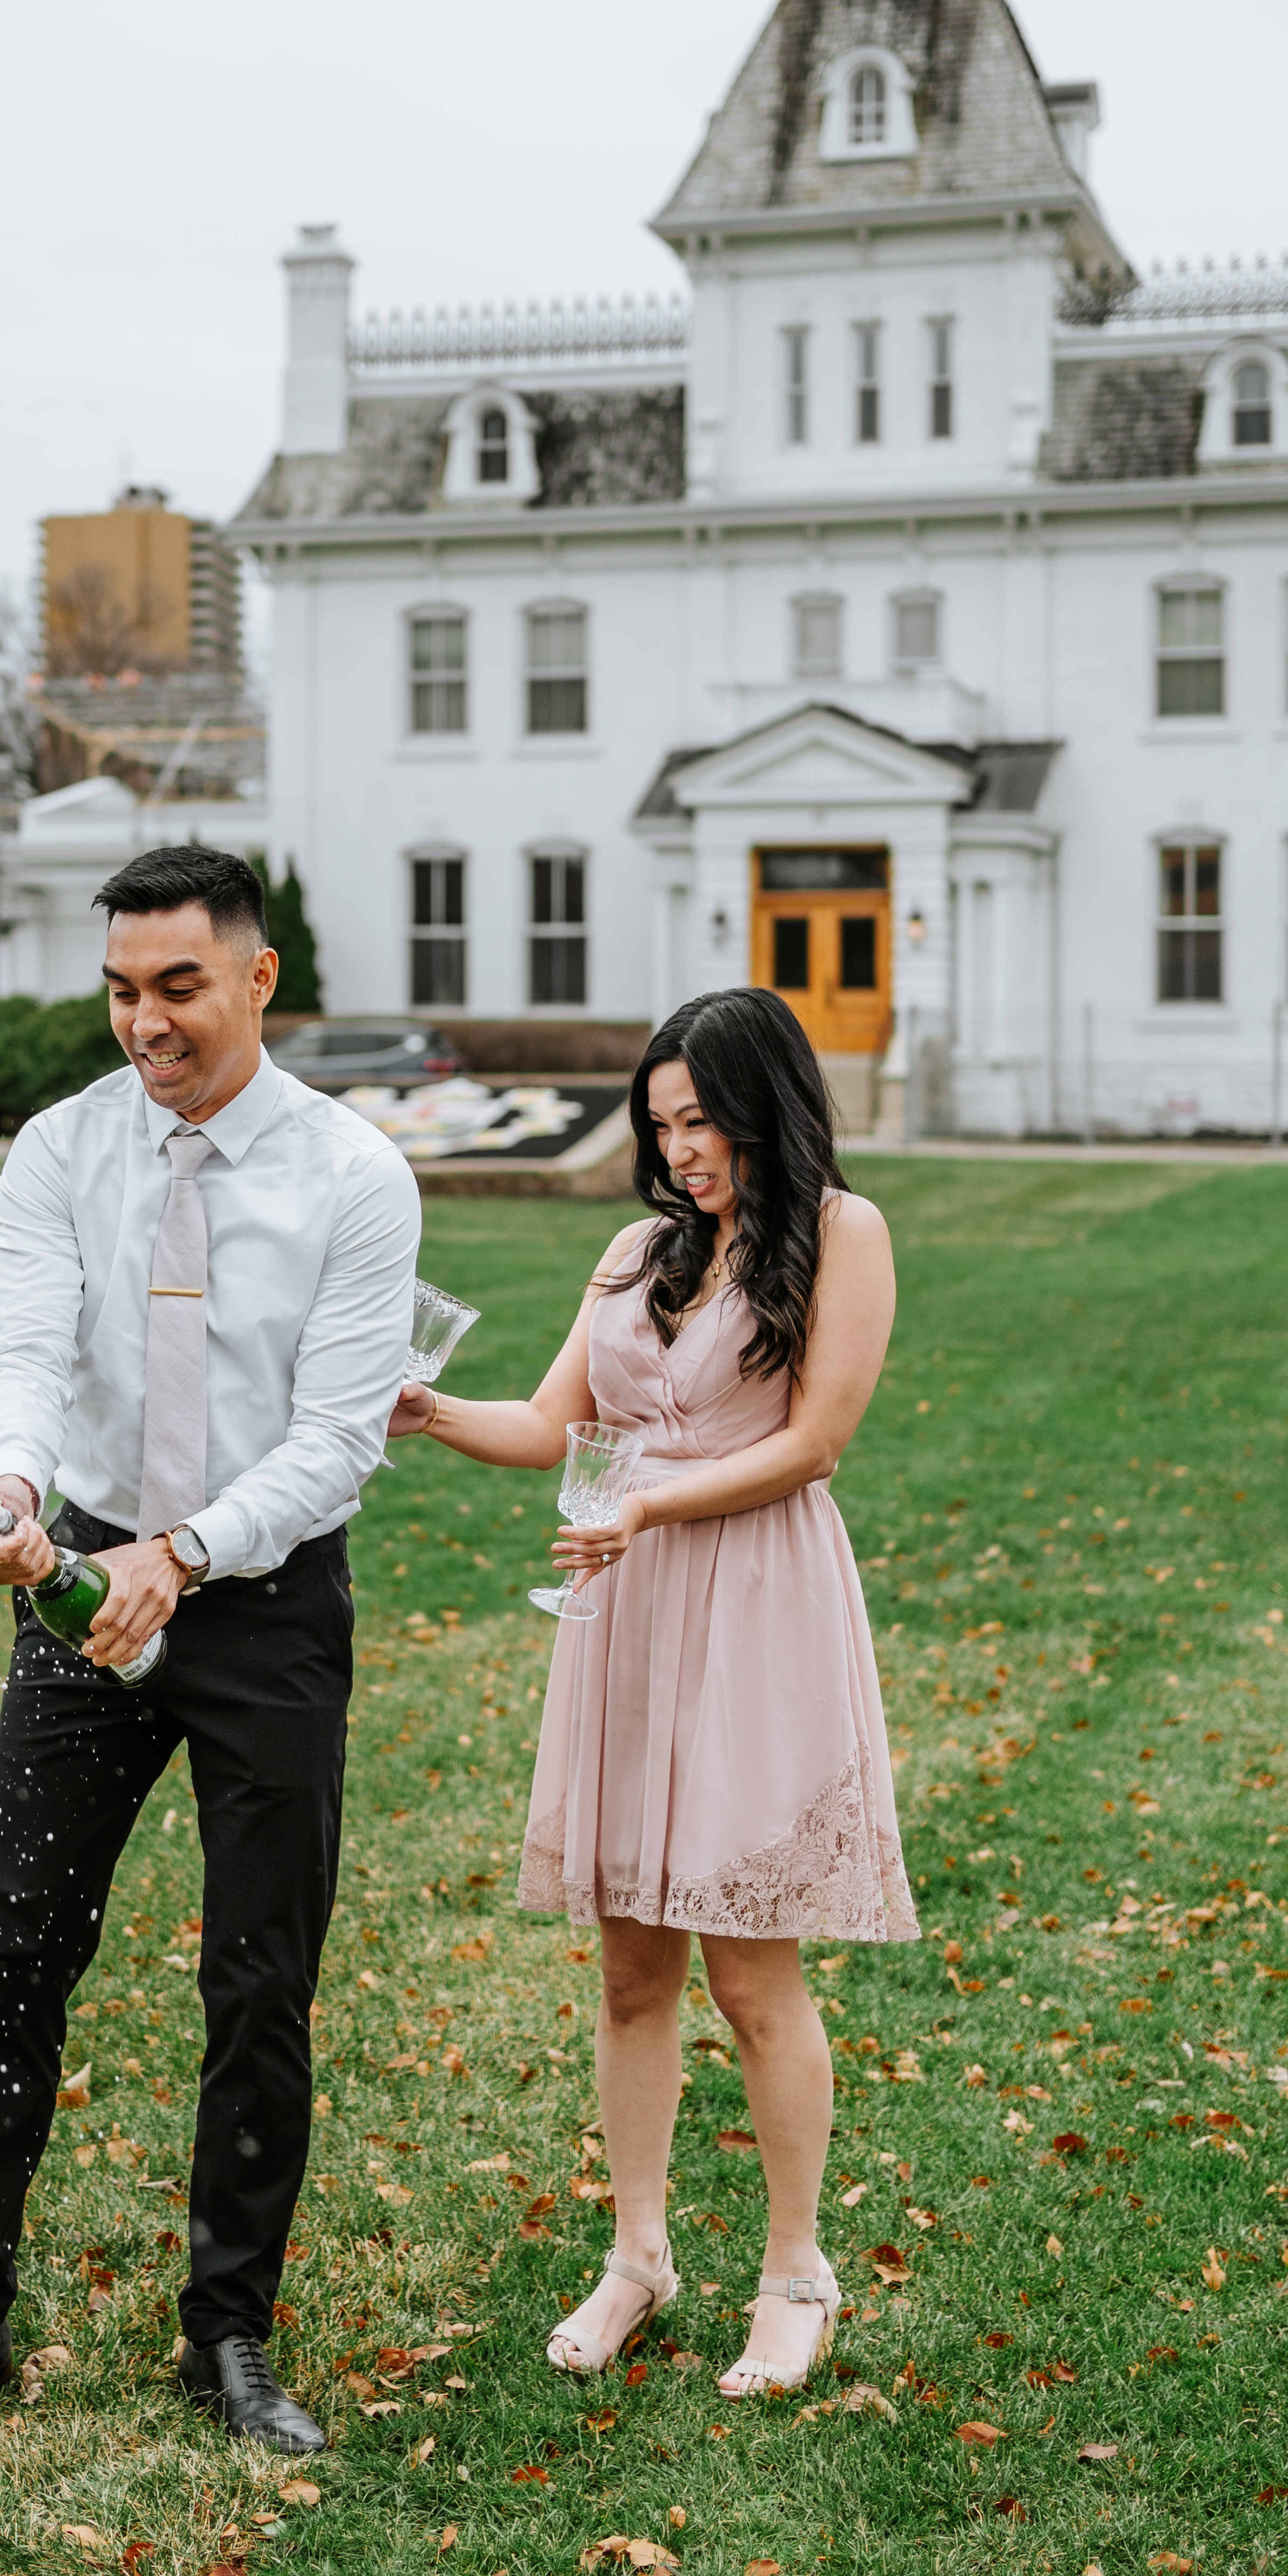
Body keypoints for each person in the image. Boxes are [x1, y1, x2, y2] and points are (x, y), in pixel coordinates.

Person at [0, 846, 421, 2472]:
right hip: (85, 1576)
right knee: (15, 1951)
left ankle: (226, 2330)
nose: (145, 1021)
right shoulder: (60, 1148)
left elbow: (334, 1445)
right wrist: (12, 1490)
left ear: (257, 979)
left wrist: (182, 1557)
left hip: (264, 1602)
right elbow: (24, 1350)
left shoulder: (355, 1175)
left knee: (258, 1982)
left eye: (177, 986)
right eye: (121, 987)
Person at [390, 985, 914, 2395]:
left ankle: (794, 2272)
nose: (683, 1149)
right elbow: (553, 1421)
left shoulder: (841, 1234)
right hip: (627, 1612)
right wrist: (434, 1411)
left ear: (767, 1106)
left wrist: (652, 1505)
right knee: (630, 1965)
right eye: (663, 1122)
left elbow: (815, 1442)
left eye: (707, 1120)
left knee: (750, 1967)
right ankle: (637, 2253)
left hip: (751, 1610)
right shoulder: (636, 1251)